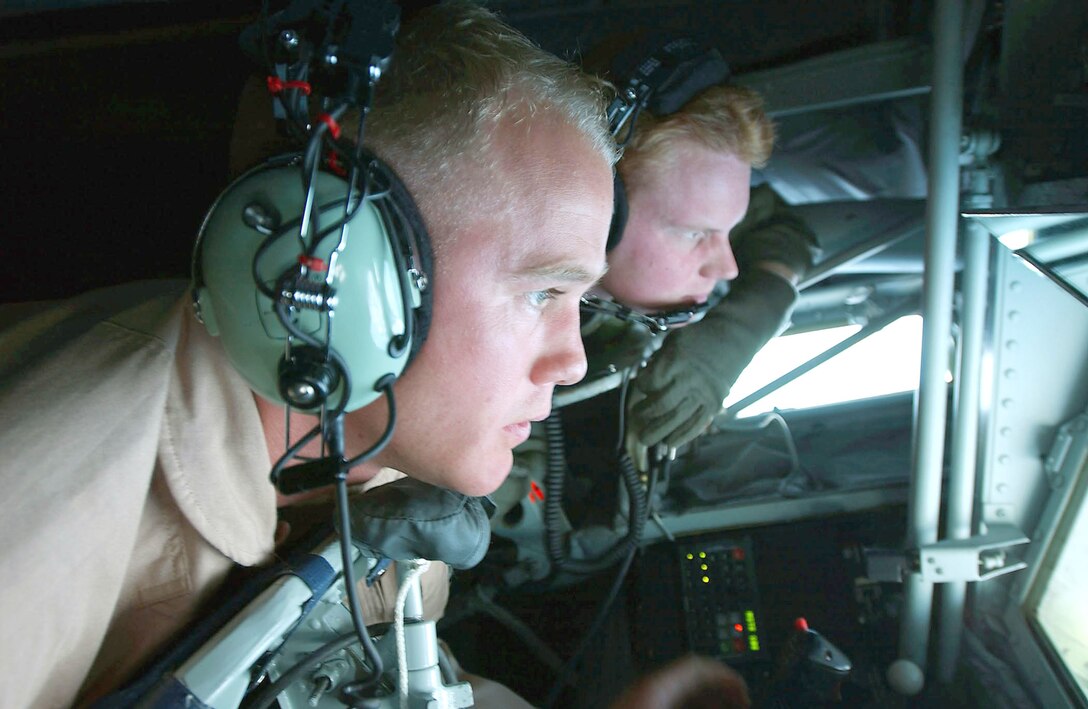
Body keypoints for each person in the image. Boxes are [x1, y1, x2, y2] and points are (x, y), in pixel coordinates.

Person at [0, 2, 617, 706]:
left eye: (582, 303)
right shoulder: (48, 497)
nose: (574, 362)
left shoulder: (371, 465)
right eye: (543, 292)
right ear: (343, 269)